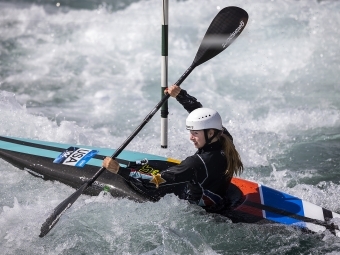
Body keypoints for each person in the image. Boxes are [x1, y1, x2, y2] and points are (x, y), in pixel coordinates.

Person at [103, 85, 243, 211]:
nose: (191, 137)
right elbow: (200, 112)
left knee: (139, 175)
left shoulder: (196, 163)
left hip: (198, 209)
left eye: (195, 133)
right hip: (215, 194)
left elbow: (153, 182)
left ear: (210, 133)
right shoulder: (224, 138)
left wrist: (119, 170)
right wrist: (181, 95)